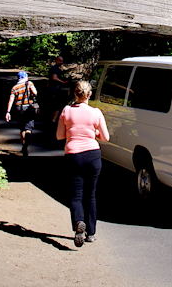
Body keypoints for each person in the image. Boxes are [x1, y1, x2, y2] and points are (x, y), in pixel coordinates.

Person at [56, 80, 110, 247]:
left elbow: (59, 136)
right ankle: (91, 233)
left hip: (73, 155)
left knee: (76, 195)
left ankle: (79, 222)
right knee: (91, 195)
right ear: (89, 95)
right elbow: (106, 137)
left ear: (75, 94)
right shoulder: (96, 112)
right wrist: (93, 132)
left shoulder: (66, 111)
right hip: (93, 155)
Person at [5, 71, 39, 156]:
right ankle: (26, 143)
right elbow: (35, 93)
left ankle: (23, 144)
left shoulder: (14, 88)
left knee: (22, 128)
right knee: (29, 128)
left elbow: (11, 100)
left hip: (19, 108)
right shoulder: (29, 83)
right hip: (29, 107)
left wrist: (8, 112)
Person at [48, 56, 69, 123]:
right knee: (57, 104)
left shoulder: (56, 68)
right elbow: (54, 78)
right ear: (56, 60)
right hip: (54, 89)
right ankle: (54, 119)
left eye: (62, 61)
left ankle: (53, 118)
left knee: (55, 104)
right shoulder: (55, 68)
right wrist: (63, 82)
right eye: (60, 61)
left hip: (54, 88)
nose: (61, 62)